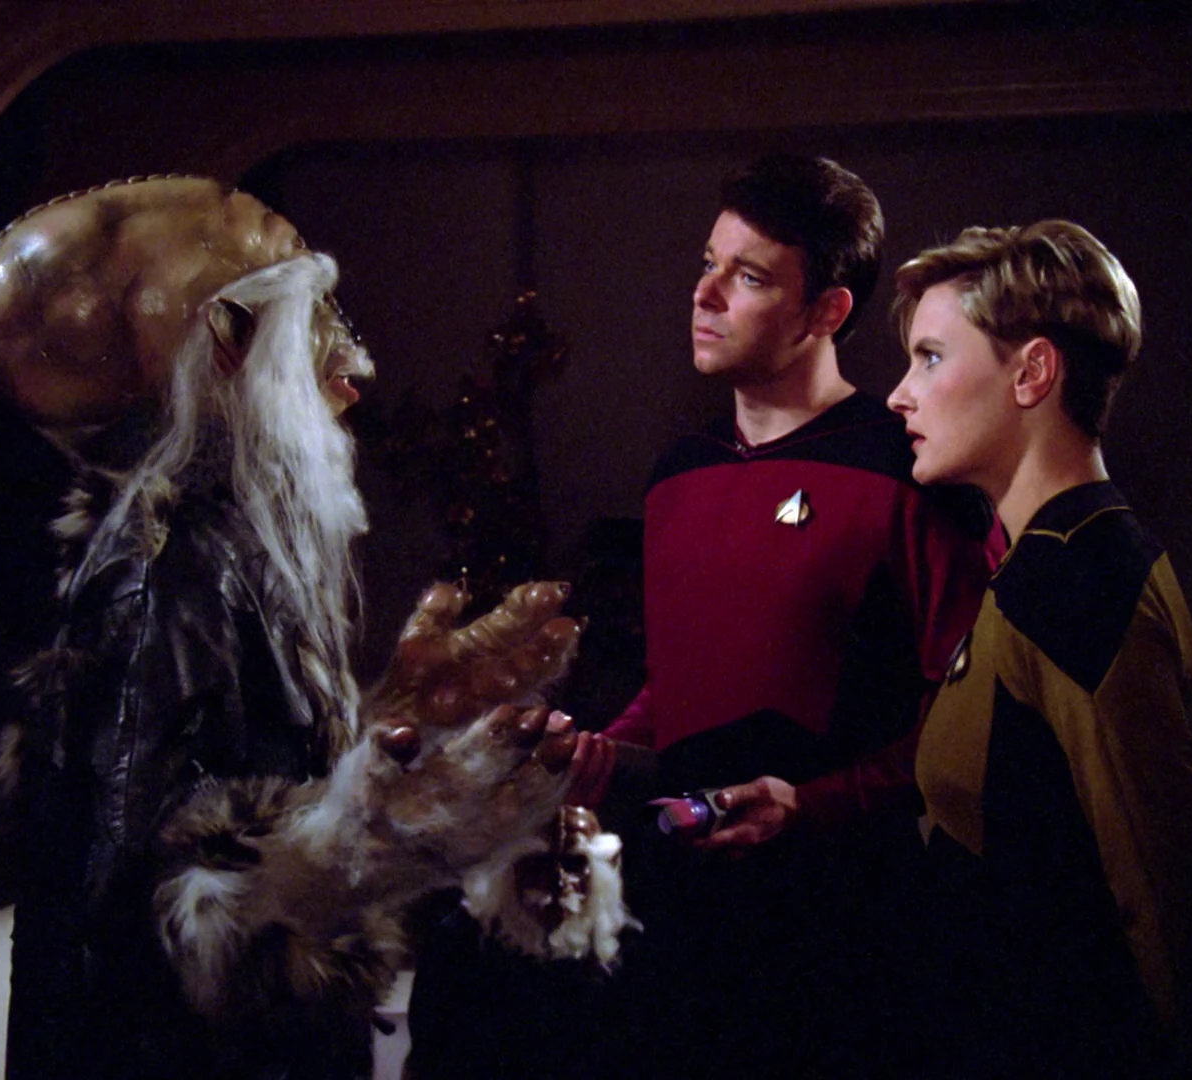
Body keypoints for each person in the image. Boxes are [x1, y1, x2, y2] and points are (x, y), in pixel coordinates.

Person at [0, 177, 622, 1080]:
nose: (356, 361)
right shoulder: (166, 566)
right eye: (316, 313)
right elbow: (135, 930)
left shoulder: (225, 546)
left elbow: (235, 795)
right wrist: (371, 836)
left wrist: (397, 719)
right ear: (229, 339)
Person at [407, 153, 1000, 1079]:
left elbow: (975, 718)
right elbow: (679, 688)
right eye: (708, 263)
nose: (706, 294)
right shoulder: (677, 474)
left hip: (846, 935)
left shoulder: (909, 470)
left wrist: (818, 806)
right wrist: (596, 750)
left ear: (827, 311)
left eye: (750, 276)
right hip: (681, 928)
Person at [886, 220, 1192, 1077]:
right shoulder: (1046, 561)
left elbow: (1163, 895)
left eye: (930, 358)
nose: (899, 395)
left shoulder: (1079, 579)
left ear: (1033, 373)